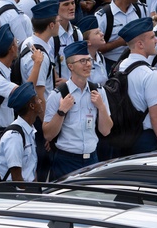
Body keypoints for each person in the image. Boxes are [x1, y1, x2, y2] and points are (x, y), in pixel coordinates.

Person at [43, 41, 112, 179]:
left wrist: (101, 107)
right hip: (66, 160)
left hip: (92, 159)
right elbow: (48, 134)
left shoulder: (98, 91)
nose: (87, 64)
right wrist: (61, 111)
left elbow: (106, 130)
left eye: (88, 60)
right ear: (71, 66)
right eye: (82, 61)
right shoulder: (58, 95)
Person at [117, 17, 157, 154]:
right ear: (140, 44)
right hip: (144, 138)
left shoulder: (120, 66)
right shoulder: (151, 74)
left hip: (123, 136)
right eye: (152, 37)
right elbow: (156, 116)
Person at [0, 82, 41, 183]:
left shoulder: (29, 131)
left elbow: (31, 170)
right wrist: (25, 195)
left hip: (30, 191)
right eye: (38, 100)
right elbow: (16, 177)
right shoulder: (14, 136)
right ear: (32, 106)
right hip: (19, 194)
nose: (41, 102)